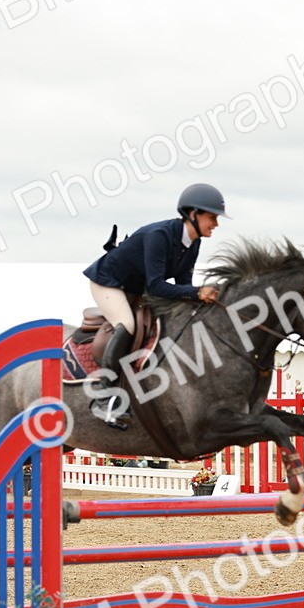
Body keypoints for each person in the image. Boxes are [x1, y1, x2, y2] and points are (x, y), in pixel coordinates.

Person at [82, 183, 228, 428]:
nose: (216, 224)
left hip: (136, 290)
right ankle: (103, 397)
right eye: (212, 217)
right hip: (109, 283)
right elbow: (157, 287)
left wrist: (199, 299)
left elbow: (183, 285)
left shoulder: (193, 242)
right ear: (193, 214)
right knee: (127, 324)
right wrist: (197, 292)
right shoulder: (159, 235)